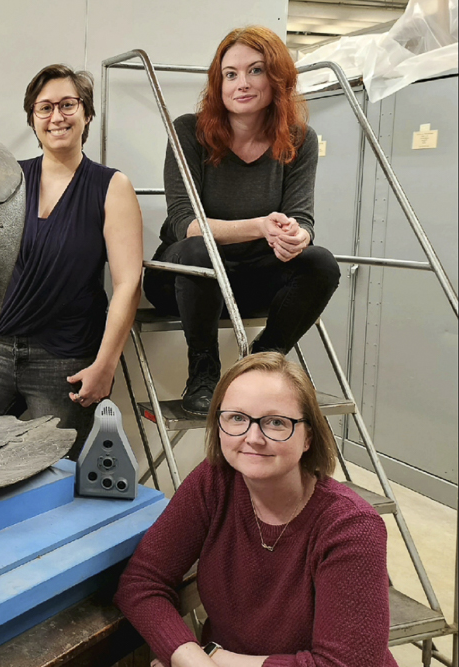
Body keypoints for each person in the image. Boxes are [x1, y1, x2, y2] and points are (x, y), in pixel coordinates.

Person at [114, 352, 397, 666]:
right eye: (236, 418)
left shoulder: (351, 527)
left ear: (308, 438)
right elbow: (142, 581)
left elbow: (345, 665)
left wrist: (215, 659)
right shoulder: (214, 482)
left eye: (276, 422)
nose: (252, 438)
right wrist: (189, 657)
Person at [143, 26, 341, 416]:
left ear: (278, 78)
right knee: (199, 249)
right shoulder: (188, 131)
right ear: (218, 84)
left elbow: (302, 217)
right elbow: (185, 220)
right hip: (184, 277)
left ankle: (262, 360)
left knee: (322, 262)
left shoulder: (300, 138)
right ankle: (203, 369)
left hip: (250, 280)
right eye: (230, 74)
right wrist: (261, 225)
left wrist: (295, 236)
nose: (242, 83)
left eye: (256, 71)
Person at [0, 64, 143, 459]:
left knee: (52, 472)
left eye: (68, 105)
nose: (57, 117)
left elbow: (128, 283)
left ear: (87, 114)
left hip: (66, 359)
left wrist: (105, 365)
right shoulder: (9, 180)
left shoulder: (111, 187)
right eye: (45, 108)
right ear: (32, 119)